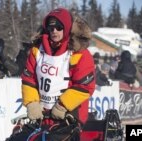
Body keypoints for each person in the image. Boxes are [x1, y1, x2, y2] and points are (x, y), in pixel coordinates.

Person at [21, 8, 95, 139]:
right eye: (51, 27)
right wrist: (32, 103)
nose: (54, 31)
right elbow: (29, 78)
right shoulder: (37, 50)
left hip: (69, 115)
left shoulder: (79, 53)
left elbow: (85, 86)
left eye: (59, 27)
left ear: (66, 28)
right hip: (43, 115)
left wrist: (62, 106)